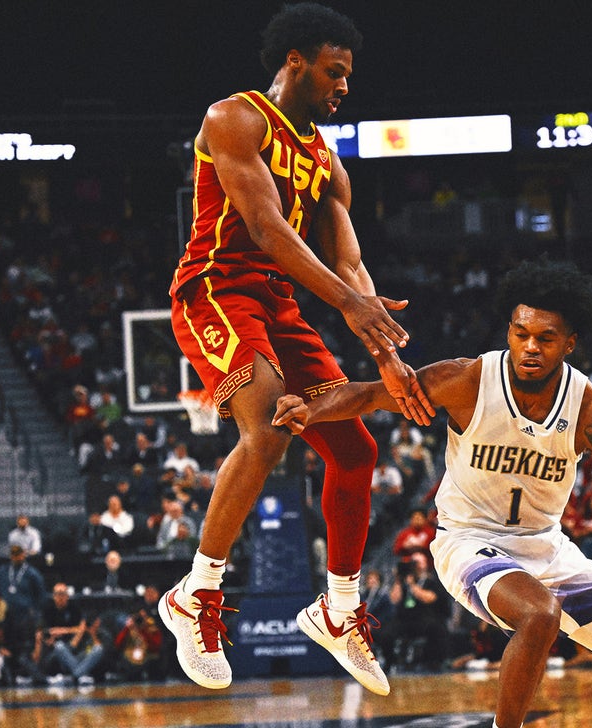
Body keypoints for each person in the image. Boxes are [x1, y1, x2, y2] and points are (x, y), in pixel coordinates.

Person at [274, 259, 592, 727]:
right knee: (540, 615)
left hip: (548, 550)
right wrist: (308, 407)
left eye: (545, 338)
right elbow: (369, 395)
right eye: (520, 332)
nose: (530, 347)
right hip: (468, 542)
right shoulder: (469, 379)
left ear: (569, 344)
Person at [159, 2, 433, 695]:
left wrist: (388, 358)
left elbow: (352, 266)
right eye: (334, 72)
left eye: (348, 75)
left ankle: (338, 610)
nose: (344, 86)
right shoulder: (235, 118)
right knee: (264, 430)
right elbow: (266, 226)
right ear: (295, 62)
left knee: (357, 449)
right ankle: (196, 591)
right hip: (216, 289)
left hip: (280, 304)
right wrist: (349, 304)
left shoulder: (329, 164)